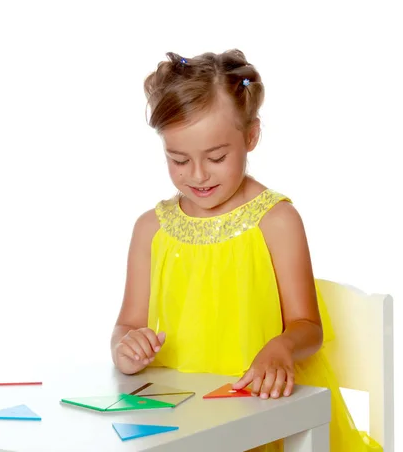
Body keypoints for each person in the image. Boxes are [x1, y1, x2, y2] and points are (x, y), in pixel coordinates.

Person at [110, 49, 382, 451]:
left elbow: (308, 325)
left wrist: (282, 346)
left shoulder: (276, 220)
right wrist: (125, 350)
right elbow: (127, 325)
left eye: (216, 157)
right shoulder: (150, 229)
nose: (198, 175)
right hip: (179, 425)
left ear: (251, 136)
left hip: (265, 414)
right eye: (178, 159)